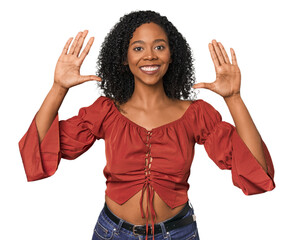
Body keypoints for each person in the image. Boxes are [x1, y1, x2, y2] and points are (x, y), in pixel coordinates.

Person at [18, 10, 275, 240]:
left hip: (178, 233)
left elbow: (257, 170)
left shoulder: (196, 114)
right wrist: (58, 88)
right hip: (113, 233)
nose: (150, 55)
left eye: (159, 47)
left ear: (172, 55)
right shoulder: (107, 111)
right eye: (138, 48)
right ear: (123, 57)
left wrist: (234, 98)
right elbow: (37, 152)